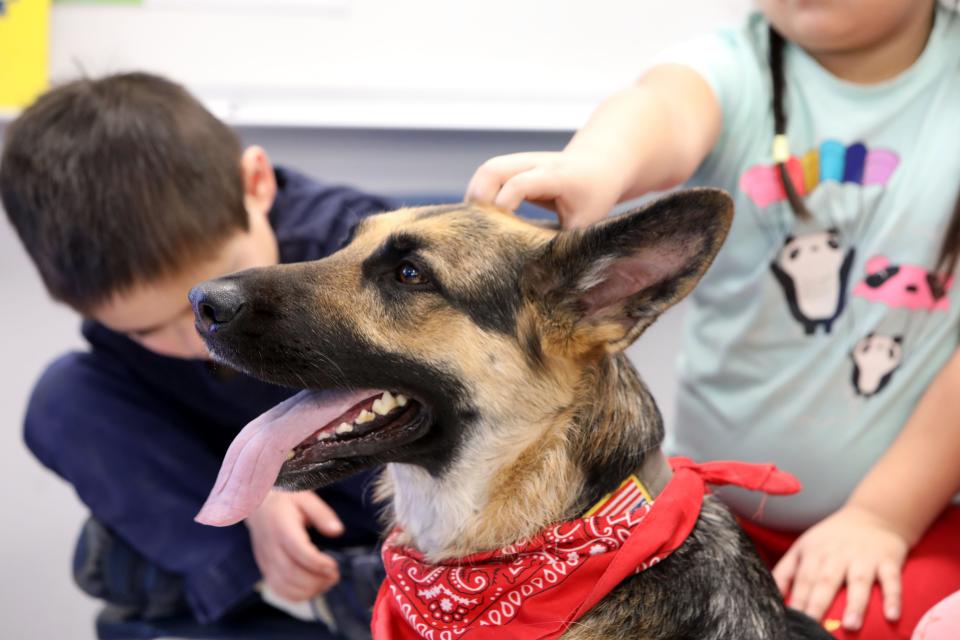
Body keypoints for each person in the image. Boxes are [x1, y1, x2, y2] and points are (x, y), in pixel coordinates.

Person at [466, 2, 960, 638]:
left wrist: (881, 518)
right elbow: (662, 109)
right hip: (709, 511)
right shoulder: (739, 65)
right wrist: (594, 166)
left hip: (912, 521)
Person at [0, 72, 392, 636]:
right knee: (64, 396)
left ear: (255, 184)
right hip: (255, 519)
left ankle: (349, 587)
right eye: (147, 330)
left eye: (215, 303)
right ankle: (258, 579)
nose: (198, 341)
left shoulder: (358, 254)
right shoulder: (121, 328)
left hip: (374, 506)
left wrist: (278, 474)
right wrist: (250, 496)